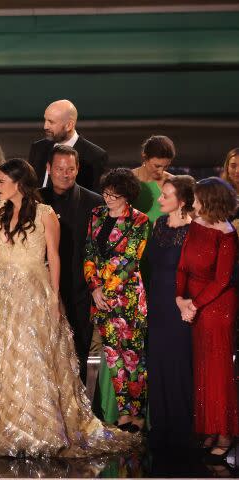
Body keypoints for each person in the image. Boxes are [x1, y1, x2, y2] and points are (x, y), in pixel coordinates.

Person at [0, 159, 137, 457]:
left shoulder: (45, 214)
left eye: (2, 180)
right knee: (5, 356)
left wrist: (53, 296)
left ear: (19, 183)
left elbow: (55, 257)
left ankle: (41, 425)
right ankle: (9, 422)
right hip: (5, 290)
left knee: (36, 356)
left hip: (35, 289)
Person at [176, 177, 239, 462]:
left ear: (211, 202)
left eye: (199, 199)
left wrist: (195, 305)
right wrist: (181, 299)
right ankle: (210, 429)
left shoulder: (226, 234)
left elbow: (222, 280)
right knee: (203, 371)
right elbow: (183, 265)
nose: (194, 203)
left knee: (218, 373)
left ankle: (226, 433)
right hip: (195, 306)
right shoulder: (196, 226)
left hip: (217, 308)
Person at [84, 168, 150, 431]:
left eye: (114, 195)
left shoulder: (139, 221)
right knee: (113, 358)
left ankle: (138, 413)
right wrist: (94, 289)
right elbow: (89, 252)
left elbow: (130, 260)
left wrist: (106, 292)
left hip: (127, 299)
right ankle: (123, 413)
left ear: (127, 196)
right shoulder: (96, 215)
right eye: (106, 193)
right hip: (101, 299)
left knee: (134, 357)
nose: (108, 199)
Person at [39, 145, 104, 385]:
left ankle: (79, 411)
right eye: (59, 169)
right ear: (49, 169)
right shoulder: (36, 199)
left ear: (77, 170)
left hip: (79, 291)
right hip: (42, 289)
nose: (65, 174)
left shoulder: (95, 203)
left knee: (78, 353)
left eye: (70, 169)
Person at [146, 175, 194, 449]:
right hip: (157, 301)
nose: (159, 199)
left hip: (179, 302)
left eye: (166, 196)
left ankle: (182, 424)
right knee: (158, 360)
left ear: (183, 201)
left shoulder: (194, 229)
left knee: (178, 361)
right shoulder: (159, 224)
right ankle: (161, 423)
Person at [28, 99, 108, 192]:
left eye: (51, 122)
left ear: (69, 125)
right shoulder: (38, 148)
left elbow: (95, 199)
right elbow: (29, 187)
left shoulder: (95, 156)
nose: (45, 126)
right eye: (45, 120)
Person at [133, 135, 176, 223]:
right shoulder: (126, 179)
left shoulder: (174, 183)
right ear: (145, 157)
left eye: (166, 166)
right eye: (157, 166)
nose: (160, 171)